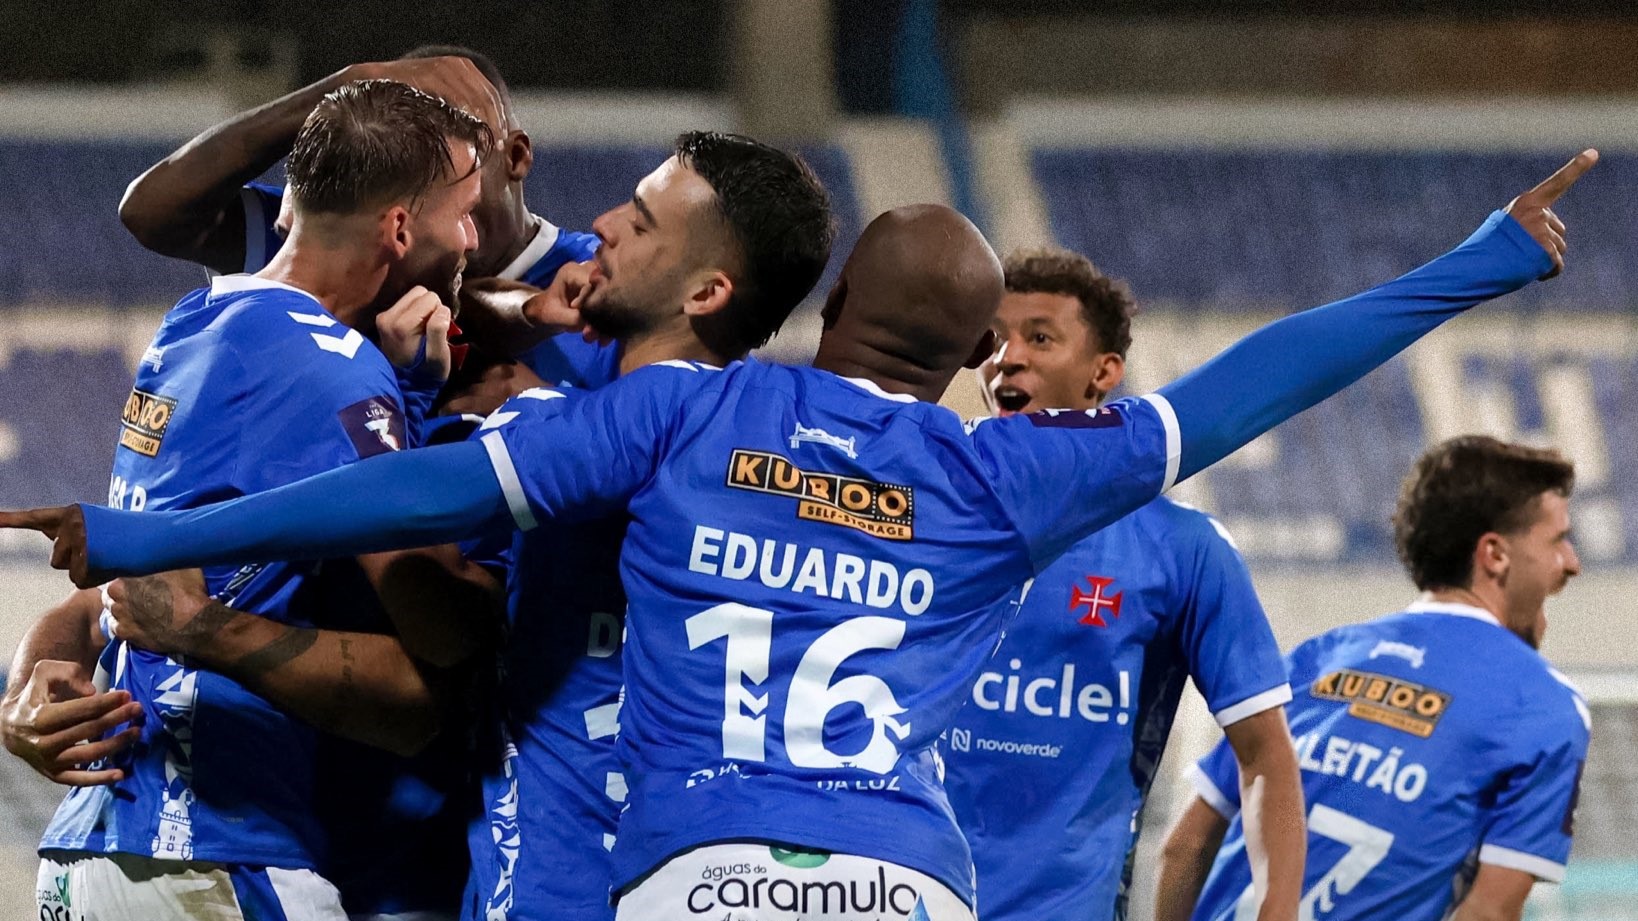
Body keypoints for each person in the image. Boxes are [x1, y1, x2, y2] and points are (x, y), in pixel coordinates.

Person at [3, 152, 1594, 921]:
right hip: (904, 879)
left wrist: (144, 528)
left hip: (680, 868)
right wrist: (1467, 263)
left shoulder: (684, 414)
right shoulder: (998, 476)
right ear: (974, 358)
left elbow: (418, 496)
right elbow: (1257, 382)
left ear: (818, 311)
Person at [98, 130, 835, 921]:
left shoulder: (563, 436)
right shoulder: (781, 452)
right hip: (639, 871)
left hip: (573, 876)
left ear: (706, 292)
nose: (605, 226)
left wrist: (171, 576)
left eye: (642, 221)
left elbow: (439, 612)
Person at [2, 79, 490, 920]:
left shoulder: (194, 323)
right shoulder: (333, 367)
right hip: (214, 859)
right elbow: (436, 659)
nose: (474, 239)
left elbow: (140, 585)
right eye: (467, 212)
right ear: (400, 229)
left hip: (102, 850)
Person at [942, 249, 1302, 921]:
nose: (1006, 357)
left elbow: (1264, 753)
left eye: (1039, 337)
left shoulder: (1182, 550)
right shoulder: (921, 509)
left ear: (1103, 372)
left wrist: (1278, 909)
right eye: (994, 338)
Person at [1157, 435, 1589, 921]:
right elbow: (1487, 913)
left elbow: (1186, 847)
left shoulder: (1318, 658)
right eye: (1557, 540)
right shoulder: (1543, 705)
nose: (1571, 561)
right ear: (1494, 555)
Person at [117, 44, 606, 404]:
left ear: (516, 157)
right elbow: (151, 213)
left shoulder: (599, 277)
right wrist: (341, 89)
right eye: (413, 156)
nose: (425, 179)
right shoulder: (337, 243)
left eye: (459, 162)